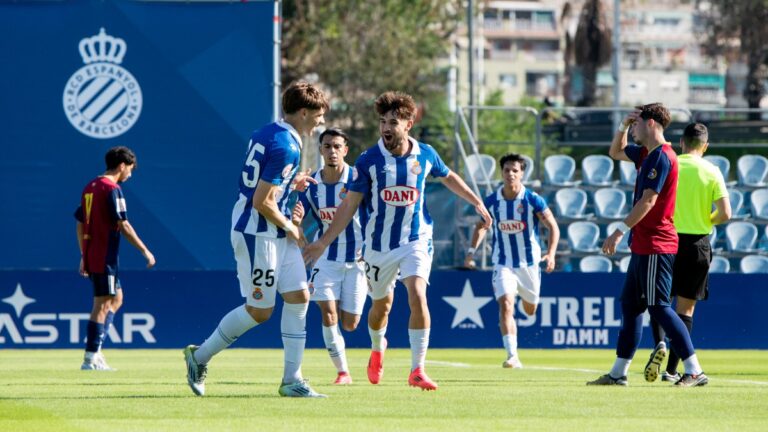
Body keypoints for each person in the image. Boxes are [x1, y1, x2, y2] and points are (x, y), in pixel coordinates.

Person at [303, 91, 492, 391]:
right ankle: (378, 347)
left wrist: (476, 201)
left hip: (416, 239)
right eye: (382, 122)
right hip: (377, 248)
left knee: (417, 293)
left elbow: (448, 176)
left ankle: (417, 369)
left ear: (409, 123)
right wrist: (323, 242)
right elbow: (349, 205)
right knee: (382, 308)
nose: (386, 128)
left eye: (393, 121)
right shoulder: (369, 160)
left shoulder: (426, 154)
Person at [183, 82, 329, 398]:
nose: (320, 123)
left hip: (271, 231)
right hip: (258, 234)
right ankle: (199, 357)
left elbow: (266, 182)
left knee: (299, 297)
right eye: (317, 116)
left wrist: (293, 183)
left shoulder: (269, 132)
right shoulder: (287, 146)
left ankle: (292, 379)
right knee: (259, 311)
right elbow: (262, 201)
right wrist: (291, 227)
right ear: (303, 112)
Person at [587, 103, 708, 387]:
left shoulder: (663, 157)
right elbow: (615, 152)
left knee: (659, 308)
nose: (634, 129)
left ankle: (694, 370)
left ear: (651, 124)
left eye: (637, 124)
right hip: (642, 244)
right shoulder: (646, 153)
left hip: (656, 243)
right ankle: (618, 373)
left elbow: (649, 201)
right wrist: (622, 127)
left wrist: (618, 230)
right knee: (630, 306)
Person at [647, 123, 731, 383]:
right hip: (697, 243)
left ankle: (659, 344)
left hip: (667, 239)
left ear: (681, 143)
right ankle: (672, 371)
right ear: (705, 146)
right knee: (686, 309)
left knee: (661, 303)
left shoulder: (672, 163)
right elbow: (726, 213)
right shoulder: (712, 171)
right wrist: (706, 220)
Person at [463, 153, 559, 369]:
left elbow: (553, 226)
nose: (511, 174)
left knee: (530, 309)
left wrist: (551, 253)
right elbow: (481, 226)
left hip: (530, 264)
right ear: (502, 173)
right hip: (503, 262)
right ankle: (512, 355)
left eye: (515, 170)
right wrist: (470, 253)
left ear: (522, 173)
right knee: (505, 304)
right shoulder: (492, 201)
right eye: (507, 170)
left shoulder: (532, 200)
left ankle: (528, 301)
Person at [291, 127, 367, 385]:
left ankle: (377, 341)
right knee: (328, 313)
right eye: (327, 146)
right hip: (326, 258)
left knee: (350, 324)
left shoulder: (359, 179)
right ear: (320, 150)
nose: (332, 151)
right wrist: (298, 227)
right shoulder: (311, 185)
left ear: (345, 150)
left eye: (337, 147)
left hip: (358, 259)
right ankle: (343, 372)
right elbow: (297, 222)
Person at [75, 146, 156, 371]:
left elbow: (80, 222)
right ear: (122, 165)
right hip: (104, 257)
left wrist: (84, 253)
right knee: (101, 304)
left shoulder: (90, 187)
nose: (130, 173)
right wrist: (145, 251)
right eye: (130, 168)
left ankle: (96, 350)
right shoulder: (112, 189)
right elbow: (124, 224)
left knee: (117, 298)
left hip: (96, 255)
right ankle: (90, 358)